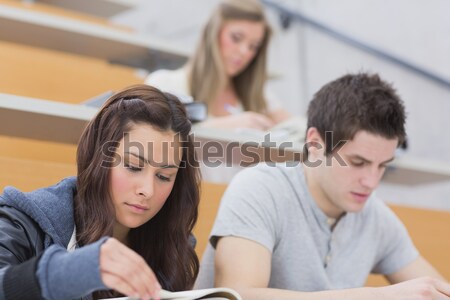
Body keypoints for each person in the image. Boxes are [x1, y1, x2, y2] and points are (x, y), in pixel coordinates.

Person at [195, 73, 450, 299]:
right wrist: (376, 296)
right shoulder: (260, 189)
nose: (372, 182)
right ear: (315, 144)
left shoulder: (375, 217)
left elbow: (436, 289)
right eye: (358, 162)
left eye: (383, 165)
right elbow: (239, 295)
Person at [0, 85, 200, 300]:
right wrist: (70, 271)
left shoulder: (174, 246)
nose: (147, 190)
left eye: (164, 177)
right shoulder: (22, 222)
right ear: (97, 159)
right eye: (133, 166)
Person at [145, 0, 291, 131]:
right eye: (236, 38)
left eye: (253, 46)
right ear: (213, 34)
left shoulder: (261, 96)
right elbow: (156, 138)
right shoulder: (165, 84)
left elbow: (296, 128)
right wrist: (226, 125)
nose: (244, 52)